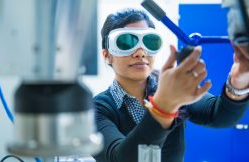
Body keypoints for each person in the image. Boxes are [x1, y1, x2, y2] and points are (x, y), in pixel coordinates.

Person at [93, 8, 249, 162]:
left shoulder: (171, 87)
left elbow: (220, 115)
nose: (140, 52)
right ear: (107, 55)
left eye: (149, 41)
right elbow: (120, 158)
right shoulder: (97, 109)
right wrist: (163, 107)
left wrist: (239, 80)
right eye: (126, 42)